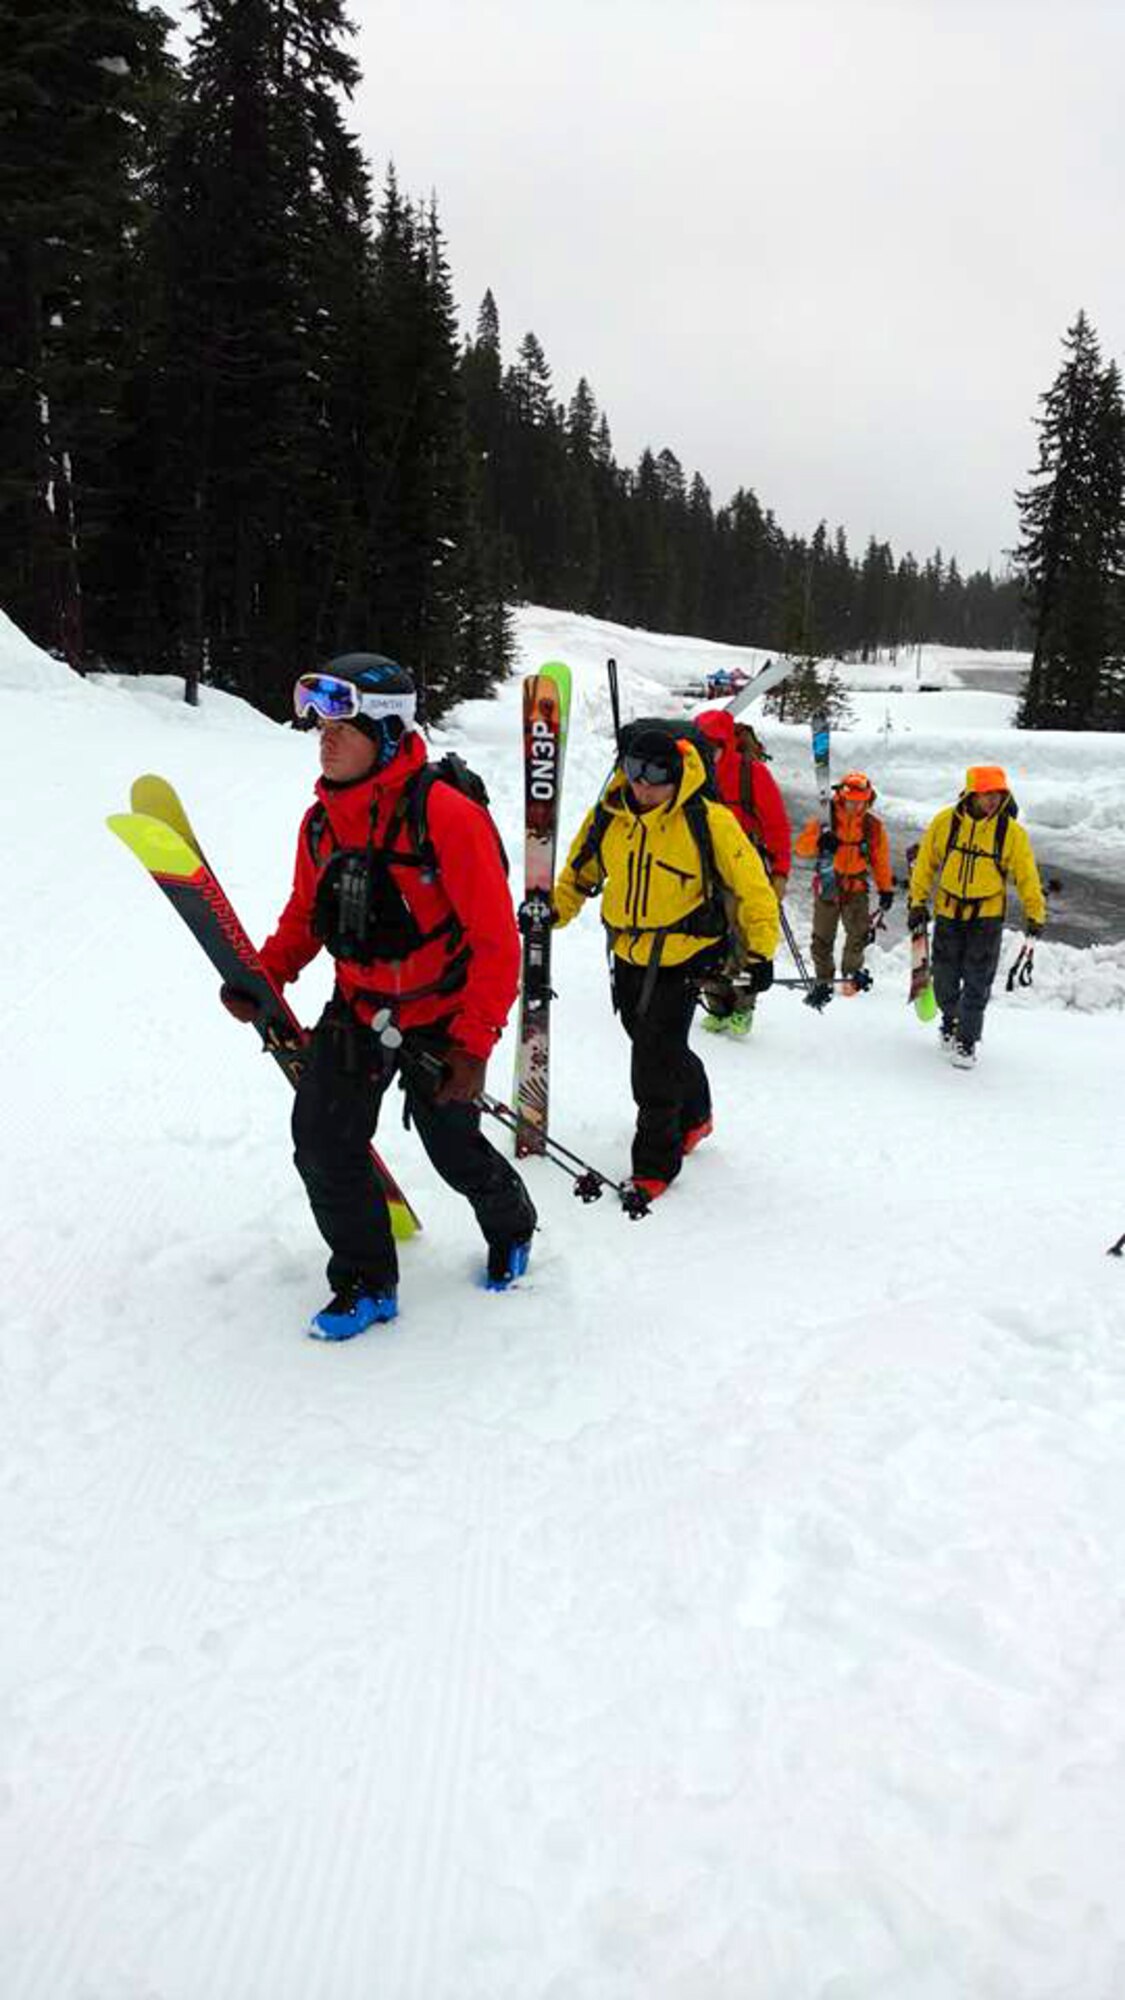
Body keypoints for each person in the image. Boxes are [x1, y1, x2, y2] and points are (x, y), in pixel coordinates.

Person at [220, 652, 536, 1339]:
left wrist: (473, 1045)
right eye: (320, 727)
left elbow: (494, 942)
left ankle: (513, 1224)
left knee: (452, 1150)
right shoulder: (319, 822)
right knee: (322, 1142)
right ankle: (366, 1281)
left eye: (343, 726)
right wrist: (265, 976)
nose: (324, 739)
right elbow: (306, 915)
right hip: (358, 1008)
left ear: (387, 734)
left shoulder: (447, 817)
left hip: (444, 1019)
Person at [551, 727, 780, 1201]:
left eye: (656, 776)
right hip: (627, 954)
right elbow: (580, 871)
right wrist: (552, 913)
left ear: (677, 775)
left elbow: (753, 887)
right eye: (634, 772)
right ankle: (697, 1115)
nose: (643, 786)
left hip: (684, 955)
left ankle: (655, 1163)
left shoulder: (708, 820)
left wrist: (761, 953)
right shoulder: (610, 815)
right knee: (652, 1039)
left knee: (652, 1060)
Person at [907, 763, 1045, 1069]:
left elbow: (1027, 876)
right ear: (971, 793)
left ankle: (967, 1041)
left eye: (998, 793)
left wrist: (1035, 913)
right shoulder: (946, 822)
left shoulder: (1010, 833)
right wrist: (917, 902)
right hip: (949, 913)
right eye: (986, 794)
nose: (993, 800)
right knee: (943, 979)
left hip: (987, 917)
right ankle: (950, 1019)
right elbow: (926, 863)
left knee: (977, 981)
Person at [694, 707, 792, 1036]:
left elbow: (777, 826)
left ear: (727, 745)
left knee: (743, 939)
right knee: (708, 935)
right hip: (702, 867)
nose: (707, 756)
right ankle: (717, 1003)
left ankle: (743, 1005)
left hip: (743, 868)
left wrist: (779, 873)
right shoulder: (689, 773)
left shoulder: (753, 775)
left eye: (713, 748)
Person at [794, 769, 893, 1004]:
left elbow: (880, 860)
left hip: (856, 886)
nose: (856, 807)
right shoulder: (825, 820)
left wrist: (885, 888)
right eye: (852, 802)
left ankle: (850, 975)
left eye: (861, 803)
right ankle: (823, 980)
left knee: (858, 934)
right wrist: (819, 841)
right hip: (828, 884)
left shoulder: (872, 826)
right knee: (822, 937)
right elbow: (801, 848)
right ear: (842, 797)